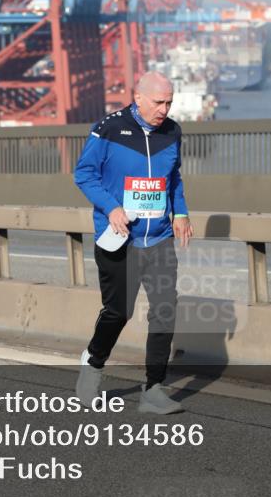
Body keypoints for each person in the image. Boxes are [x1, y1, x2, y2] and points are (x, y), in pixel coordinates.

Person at [73, 71, 193, 415]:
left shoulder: (172, 131)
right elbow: (84, 174)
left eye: (170, 102)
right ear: (137, 98)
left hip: (159, 238)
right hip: (119, 239)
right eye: (159, 102)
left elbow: (174, 179)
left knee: (165, 310)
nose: (165, 109)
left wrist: (181, 212)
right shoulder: (108, 129)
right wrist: (111, 207)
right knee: (118, 312)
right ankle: (93, 364)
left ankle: (154, 389)